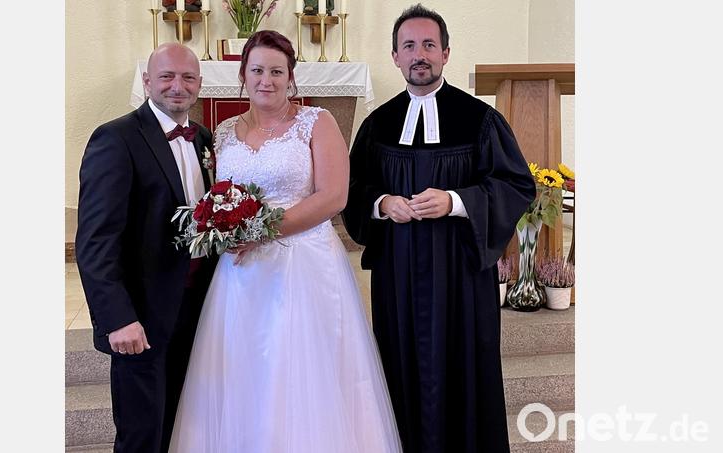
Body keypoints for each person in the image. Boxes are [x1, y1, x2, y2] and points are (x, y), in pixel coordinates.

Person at [167, 30, 403, 453]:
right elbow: (221, 197)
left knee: (304, 370)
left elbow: (334, 196)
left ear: (291, 78)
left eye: (277, 71)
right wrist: (226, 230)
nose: (266, 80)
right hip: (242, 275)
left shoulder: (317, 122)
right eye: (257, 70)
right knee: (245, 368)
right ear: (243, 76)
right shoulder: (221, 133)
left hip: (306, 264)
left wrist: (257, 231)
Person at [342, 4, 537, 453]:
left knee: (463, 363)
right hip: (400, 275)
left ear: (447, 53)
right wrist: (381, 202)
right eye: (409, 46)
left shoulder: (480, 119)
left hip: (461, 273)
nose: (419, 55)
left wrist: (456, 201)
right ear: (394, 56)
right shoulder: (378, 125)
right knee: (401, 362)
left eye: (429, 45)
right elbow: (352, 188)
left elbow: (515, 183)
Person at [76, 43, 216, 453]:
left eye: (188, 78)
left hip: (195, 305)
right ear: (147, 81)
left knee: (179, 421)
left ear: (200, 85)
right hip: (143, 314)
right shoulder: (116, 138)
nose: (178, 86)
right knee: (141, 433)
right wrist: (117, 318)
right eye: (167, 77)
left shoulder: (203, 138)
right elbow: (96, 241)